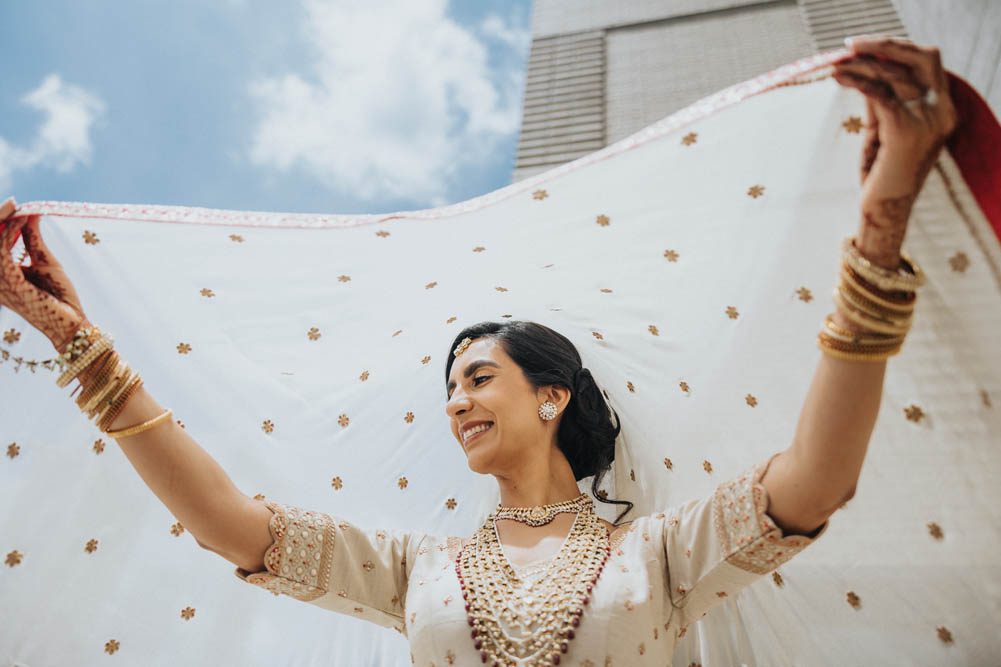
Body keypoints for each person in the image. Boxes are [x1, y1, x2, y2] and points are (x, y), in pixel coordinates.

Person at [0, 34, 957, 666]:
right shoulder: (419, 567)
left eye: (478, 376)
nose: (455, 400)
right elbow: (226, 524)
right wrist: (75, 339)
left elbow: (816, 479)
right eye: (449, 385)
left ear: (552, 397)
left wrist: (879, 225)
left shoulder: (658, 556)